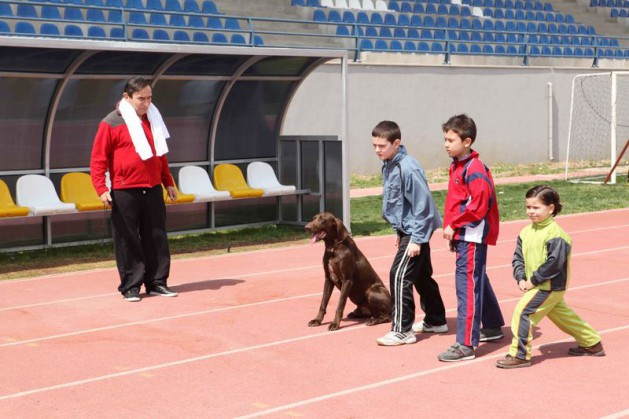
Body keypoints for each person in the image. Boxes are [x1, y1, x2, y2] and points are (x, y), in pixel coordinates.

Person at [496, 185, 605, 368]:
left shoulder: (556, 234)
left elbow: (554, 264)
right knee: (564, 316)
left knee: (523, 312)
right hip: (536, 285)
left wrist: (533, 280)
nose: (531, 211)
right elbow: (518, 257)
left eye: (536, 207)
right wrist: (521, 277)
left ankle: (520, 355)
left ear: (551, 208)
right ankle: (592, 343)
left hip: (549, 286)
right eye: (528, 207)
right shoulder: (526, 232)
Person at [90, 76, 178, 302]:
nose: (146, 104)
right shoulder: (110, 123)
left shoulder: (154, 120)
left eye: (150, 98)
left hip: (153, 188)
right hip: (124, 189)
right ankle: (131, 286)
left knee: (156, 236)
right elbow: (98, 160)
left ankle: (157, 282)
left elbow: (161, 154)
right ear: (126, 97)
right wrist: (101, 188)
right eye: (141, 99)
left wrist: (168, 182)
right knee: (127, 239)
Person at [371, 120, 447, 346]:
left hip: (417, 231)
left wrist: (416, 239)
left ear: (396, 143)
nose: (377, 150)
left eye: (381, 146)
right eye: (374, 145)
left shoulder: (408, 167)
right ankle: (436, 320)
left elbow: (422, 207)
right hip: (408, 229)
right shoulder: (389, 163)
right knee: (421, 276)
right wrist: (399, 230)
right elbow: (398, 203)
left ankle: (402, 330)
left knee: (399, 275)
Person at [438, 114, 505, 362]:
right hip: (464, 234)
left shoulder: (474, 168)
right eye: (444, 139)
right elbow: (458, 201)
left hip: (472, 236)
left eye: (450, 140)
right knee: (477, 278)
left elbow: (478, 207)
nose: (446, 144)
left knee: (467, 285)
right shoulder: (457, 164)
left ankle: (465, 344)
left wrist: (454, 225)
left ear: (467, 141)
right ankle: (492, 325)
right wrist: (452, 228)